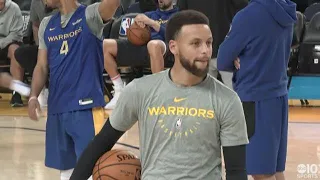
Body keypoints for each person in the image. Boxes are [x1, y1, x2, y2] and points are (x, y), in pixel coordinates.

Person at [70, 10, 249, 180]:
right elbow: (102, 142)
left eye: (208, 43)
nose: (205, 51)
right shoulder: (141, 90)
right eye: (196, 43)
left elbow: (236, 171)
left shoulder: (227, 100)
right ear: (173, 47)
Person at [27, 0, 120, 179]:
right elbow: (41, 66)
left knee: (93, 170)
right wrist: (33, 96)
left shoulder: (90, 15)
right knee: (66, 171)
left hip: (85, 107)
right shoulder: (47, 24)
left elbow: (114, 2)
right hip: (57, 109)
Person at [217, 0, 296, 179]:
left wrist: (239, 55)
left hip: (254, 97)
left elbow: (222, 59)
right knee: (275, 170)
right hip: (279, 96)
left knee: (260, 172)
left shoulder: (247, 16)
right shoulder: (287, 10)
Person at [104, 0, 178, 109]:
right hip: (143, 47)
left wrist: (152, 23)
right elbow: (136, 32)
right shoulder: (149, 14)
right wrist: (138, 23)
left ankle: (160, 94)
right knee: (105, 45)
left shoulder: (178, 16)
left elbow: (174, 37)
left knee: (153, 45)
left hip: (165, 48)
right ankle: (119, 89)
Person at [177, 0, 248, 89]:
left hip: (222, 50)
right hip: (210, 51)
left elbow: (244, 9)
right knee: (205, 97)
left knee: (231, 96)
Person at [14, 0, 57, 107]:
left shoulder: (61, 3)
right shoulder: (35, 2)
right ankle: (45, 85)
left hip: (62, 42)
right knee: (20, 53)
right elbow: (35, 24)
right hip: (46, 44)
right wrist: (40, 45)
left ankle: (56, 88)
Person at [0, 0, 25, 107]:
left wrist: (1, 43)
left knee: (15, 51)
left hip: (9, 42)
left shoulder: (14, 8)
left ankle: (17, 92)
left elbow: (16, 34)